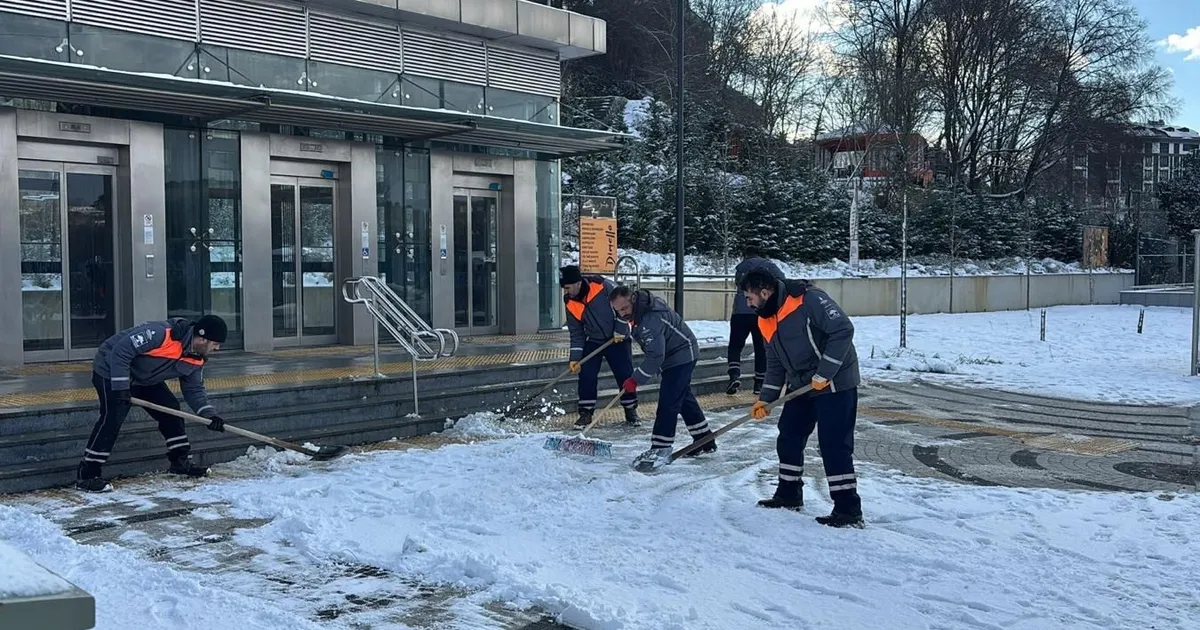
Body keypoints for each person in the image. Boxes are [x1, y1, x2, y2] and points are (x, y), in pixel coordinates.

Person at [741, 270, 864, 528]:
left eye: (750, 297)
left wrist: (826, 372)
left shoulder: (808, 300)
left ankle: (848, 509)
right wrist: (766, 399)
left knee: (834, 444)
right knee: (789, 435)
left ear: (765, 292)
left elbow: (843, 330)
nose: (748, 303)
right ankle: (789, 493)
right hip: (802, 384)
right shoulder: (765, 319)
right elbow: (775, 363)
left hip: (835, 382)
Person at [76, 315, 229, 492]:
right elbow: (120, 350)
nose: (217, 349)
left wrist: (209, 415)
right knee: (113, 417)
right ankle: (87, 475)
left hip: (146, 379)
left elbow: (194, 390)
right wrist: (120, 387)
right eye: (216, 344)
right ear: (202, 339)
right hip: (110, 369)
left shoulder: (196, 357)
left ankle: (180, 462)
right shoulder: (161, 334)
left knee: (171, 410)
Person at [609, 286, 716, 470]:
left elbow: (656, 355)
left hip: (682, 354)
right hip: (671, 356)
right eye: (618, 311)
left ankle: (661, 447)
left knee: (669, 402)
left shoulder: (650, 317)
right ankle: (704, 440)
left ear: (633, 299)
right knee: (682, 399)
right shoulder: (640, 310)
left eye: (624, 308)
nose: (623, 314)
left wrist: (635, 380)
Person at [560, 265, 641, 429]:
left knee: (624, 375)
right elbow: (576, 332)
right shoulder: (569, 301)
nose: (566, 292)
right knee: (587, 375)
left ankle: (630, 409)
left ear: (577, 283)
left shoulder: (601, 285)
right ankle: (585, 413)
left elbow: (624, 306)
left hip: (617, 339)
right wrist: (575, 358)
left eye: (568, 287)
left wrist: (620, 329)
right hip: (594, 340)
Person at [727, 245, 785, 396]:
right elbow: (782, 280)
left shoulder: (741, 268)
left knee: (735, 345)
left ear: (745, 255)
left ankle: (734, 374)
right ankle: (759, 383)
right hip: (760, 310)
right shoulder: (768, 266)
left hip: (739, 311)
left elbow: (739, 284)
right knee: (760, 347)